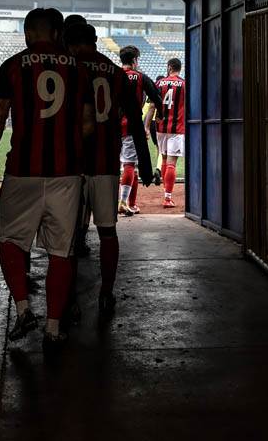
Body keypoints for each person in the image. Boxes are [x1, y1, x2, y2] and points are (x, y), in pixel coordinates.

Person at [0, 9, 94, 351]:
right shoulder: (77, 67)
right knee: (61, 251)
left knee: (9, 240)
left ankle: (24, 309)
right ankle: (54, 328)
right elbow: (88, 123)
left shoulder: (13, 66)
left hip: (22, 171)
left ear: (28, 33)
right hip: (66, 173)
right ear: (57, 33)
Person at [65, 22, 153, 317]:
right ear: (95, 40)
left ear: (72, 42)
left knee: (71, 234)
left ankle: (69, 295)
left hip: (72, 164)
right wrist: (147, 161)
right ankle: (106, 292)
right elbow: (136, 123)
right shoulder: (115, 73)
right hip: (106, 162)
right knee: (107, 232)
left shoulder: (68, 66)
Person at [117, 46, 162, 215]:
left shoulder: (113, 74)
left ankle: (131, 203)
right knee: (129, 165)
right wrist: (161, 115)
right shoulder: (141, 77)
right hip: (131, 126)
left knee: (118, 167)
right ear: (135, 60)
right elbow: (156, 96)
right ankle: (122, 202)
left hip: (110, 127)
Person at [149, 58, 186, 208]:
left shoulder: (159, 83)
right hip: (177, 129)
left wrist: (147, 125)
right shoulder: (184, 84)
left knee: (163, 159)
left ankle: (166, 191)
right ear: (179, 68)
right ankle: (167, 198)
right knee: (172, 163)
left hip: (160, 128)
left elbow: (152, 106)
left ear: (169, 67)